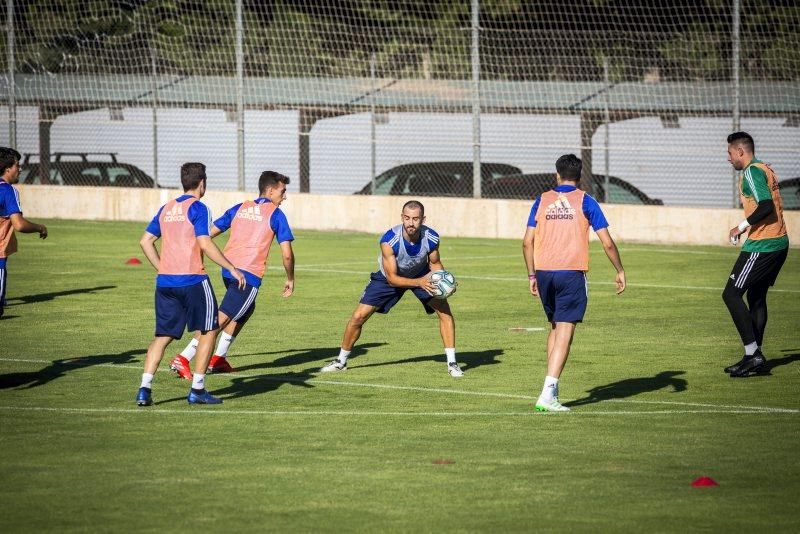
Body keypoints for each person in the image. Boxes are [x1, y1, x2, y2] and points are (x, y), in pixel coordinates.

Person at [522, 154, 625, 412]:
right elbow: (607, 242)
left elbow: (526, 241)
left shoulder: (542, 200)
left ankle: (551, 391)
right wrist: (620, 269)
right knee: (565, 332)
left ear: (557, 174)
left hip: (544, 272)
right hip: (571, 273)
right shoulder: (586, 201)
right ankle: (547, 394)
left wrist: (532, 275)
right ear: (580, 177)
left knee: (555, 329)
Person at [136, 162, 245, 406]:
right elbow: (205, 243)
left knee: (162, 336)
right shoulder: (199, 207)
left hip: (165, 283)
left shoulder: (166, 208)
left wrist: (162, 267)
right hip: (194, 280)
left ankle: (144, 388)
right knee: (209, 330)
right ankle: (197, 389)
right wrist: (231, 267)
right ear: (202, 183)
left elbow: (145, 241)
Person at [170, 171, 295, 378]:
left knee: (245, 310)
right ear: (271, 190)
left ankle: (218, 358)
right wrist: (290, 279)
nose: (284, 196)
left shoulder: (240, 208)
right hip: (247, 275)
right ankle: (183, 357)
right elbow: (287, 255)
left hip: (229, 271)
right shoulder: (275, 214)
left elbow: (208, 234)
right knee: (220, 319)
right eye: (283, 191)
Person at [320, 200, 464, 377]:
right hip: (389, 277)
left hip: (421, 274)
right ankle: (341, 361)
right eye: (407, 218)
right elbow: (393, 279)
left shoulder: (431, 238)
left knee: (445, 313)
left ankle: (452, 363)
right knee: (358, 317)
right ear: (402, 217)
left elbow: (435, 264)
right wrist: (419, 282)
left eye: (416, 219)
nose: (411, 223)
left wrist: (445, 283)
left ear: (423, 219)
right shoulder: (389, 240)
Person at [723, 132, 789, 377]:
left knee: (731, 294)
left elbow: (766, 206)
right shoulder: (765, 168)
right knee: (757, 296)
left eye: (730, 153)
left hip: (764, 245)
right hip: (779, 242)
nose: (729, 158)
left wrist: (740, 226)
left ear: (741, 151)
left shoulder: (751, 171)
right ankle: (754, 357)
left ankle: (753, 353)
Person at [0, 147, 48, 319]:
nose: (20, 169)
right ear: (7, 168)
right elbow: (19, 224)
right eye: (17, 165)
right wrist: (40, 227)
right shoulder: (8, 191)